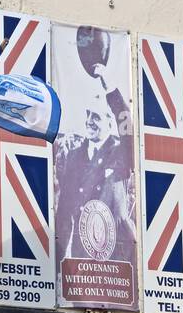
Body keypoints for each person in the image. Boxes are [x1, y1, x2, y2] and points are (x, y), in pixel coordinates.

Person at [55, 58, 136, 270]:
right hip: (83, 254)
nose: (89, 122)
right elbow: (63, 211)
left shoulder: (121, 152)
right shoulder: (73, 156)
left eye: (96, 117)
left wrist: (110, 87)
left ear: (111, 122)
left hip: (119, 253)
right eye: (88, 115)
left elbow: (127, 124)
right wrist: (57, 262)